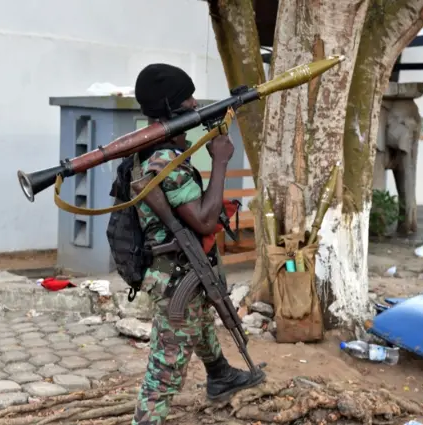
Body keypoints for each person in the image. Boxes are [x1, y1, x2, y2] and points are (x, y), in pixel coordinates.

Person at [129, 63, 266, 425]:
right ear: (172, 109)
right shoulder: (163, 162)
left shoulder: (157, 153)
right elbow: (204, 219)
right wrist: (220, 160)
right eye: (187, 99)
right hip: (175, 276)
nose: (194, 103)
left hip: (183, 270)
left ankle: (220, 374)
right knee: (165, 372)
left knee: (202, 318)